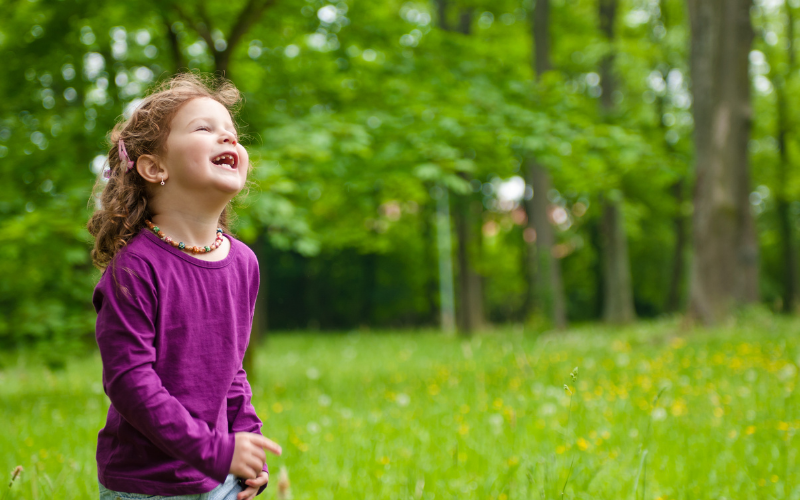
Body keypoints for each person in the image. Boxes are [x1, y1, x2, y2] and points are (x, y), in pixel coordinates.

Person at [87, 73, 281, 500]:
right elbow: (130, 381)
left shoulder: (242, 262)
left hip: (219, 475)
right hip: (148, 484)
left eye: (231, 133)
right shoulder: (135, 267)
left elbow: (232, 372)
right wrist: (215, 450)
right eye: (205, 129)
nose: (227, 138)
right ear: (156, 167)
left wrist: (247, 444)